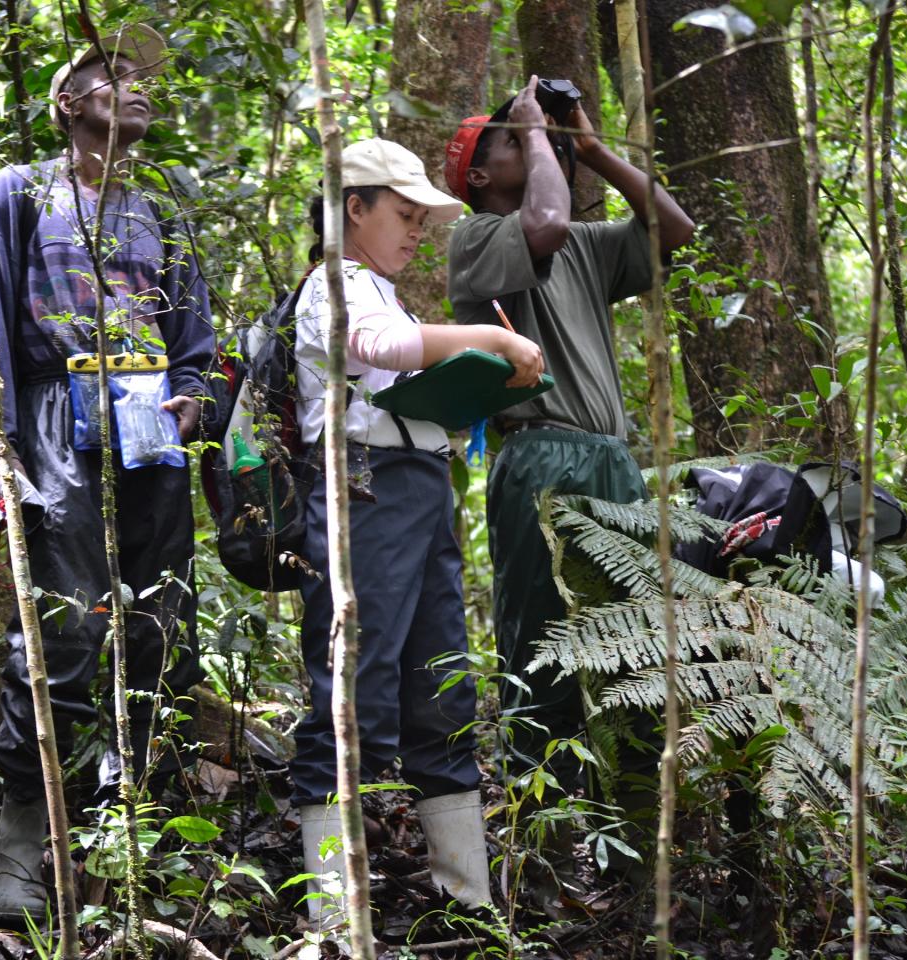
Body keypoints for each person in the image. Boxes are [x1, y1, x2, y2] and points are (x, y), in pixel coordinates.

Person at [0, 24, 215, 922]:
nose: (137, 88)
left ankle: (125, 832)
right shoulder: (20, 191)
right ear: (69, 105)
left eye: (145, 79)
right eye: (114, 77)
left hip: (151, 438)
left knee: (152, 630)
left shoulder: (165, 207)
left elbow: (196, 339)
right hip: (51, 425)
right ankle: (24, 843)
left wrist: (191, 397)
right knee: (62, 635)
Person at [289, 138, 544, 931]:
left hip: (419, 488)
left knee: (443, 687)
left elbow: (400, 357)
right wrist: (490, 341)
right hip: (363, 489)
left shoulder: (381, 289)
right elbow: (380, 349)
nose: (415, 233)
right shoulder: (336, 285)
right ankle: (335, 919)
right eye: (404, 215)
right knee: (353, 690)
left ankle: (468, 903)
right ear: (352, 208)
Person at [443, 78, 695, 797]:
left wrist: (593, 148)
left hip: (611, 457)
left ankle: (642, 815)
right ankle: (543, 824)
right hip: (538, 452)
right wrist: (531, 125)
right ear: (482, 176)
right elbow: (544, 224)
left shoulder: (584, 247)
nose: (531, 138)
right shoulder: (478, 239)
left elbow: (673, 231)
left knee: (637, 639)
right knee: (540, 643)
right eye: (509, 139)